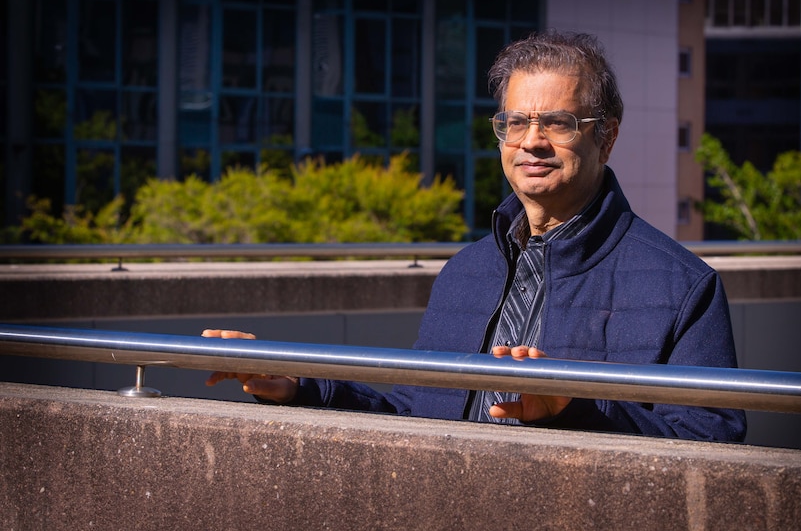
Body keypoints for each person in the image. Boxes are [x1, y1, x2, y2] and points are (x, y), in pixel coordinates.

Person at [205, 30, 746, 442]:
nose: (532, 142)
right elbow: (413, 415)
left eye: (558, 123)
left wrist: (574, 407)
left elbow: (713, 438)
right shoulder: (467, 271)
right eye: (515, 123)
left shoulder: (683, 287)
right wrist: (298, 382)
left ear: (606, 137)